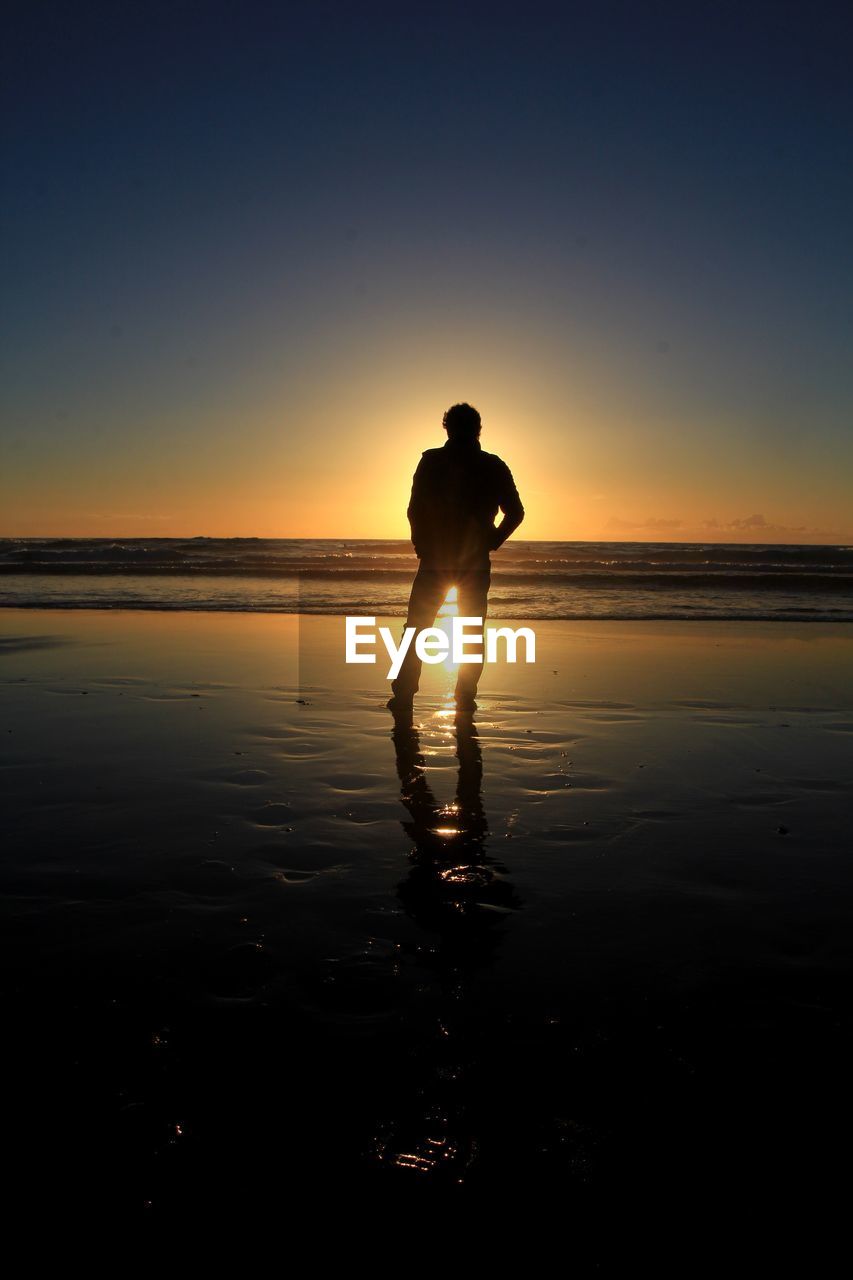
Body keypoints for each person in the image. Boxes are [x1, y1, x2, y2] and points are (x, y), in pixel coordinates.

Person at [388, 402, 524, 715]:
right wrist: (493, 540)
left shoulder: (432, 461)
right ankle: (465, 696)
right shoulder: (492, 465)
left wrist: (420, 543)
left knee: (417, 629)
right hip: (471, 562)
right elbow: (515, 513)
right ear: (477, 430)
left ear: (448, 428)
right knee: (471, 629)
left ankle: (405, 693)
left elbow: (414, 509)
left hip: (437, 558)